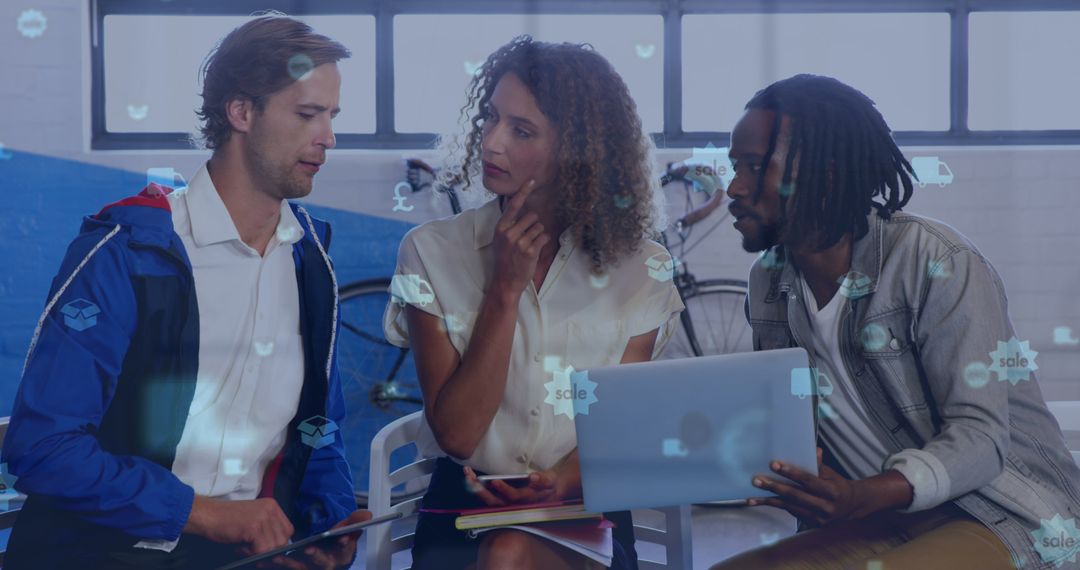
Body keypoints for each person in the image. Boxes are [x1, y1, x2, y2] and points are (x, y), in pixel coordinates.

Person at [3, 13, 371, 569]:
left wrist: (326, 523)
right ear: (241, 112)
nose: (328, 138)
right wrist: (204, 514)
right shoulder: (129, 252)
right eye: (306, 114)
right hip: (105, 554)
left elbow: (320, 426)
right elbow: (43, 449)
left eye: (332, 116)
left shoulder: (310, 259)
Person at [710, 74, 1080, 569]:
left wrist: (860, 495)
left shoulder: (937, 261)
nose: (734, 187)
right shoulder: (769, 279)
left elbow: (980, 437)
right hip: (877, 519)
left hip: (1000, 512)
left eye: (756, 167)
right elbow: (794, 427)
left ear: (826, 172)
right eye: (735, 166)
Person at [383, 36, 684, 570]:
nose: (491, 142)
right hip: (464, 504)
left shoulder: (642, 268)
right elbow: (457, 435)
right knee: (504, 552)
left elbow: (615, 427)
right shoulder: (431, 251)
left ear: (578, 153)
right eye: (491, 118)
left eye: (521, 131)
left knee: (509, 553)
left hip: (581, 500)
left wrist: (559, 482)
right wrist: (504, 290)